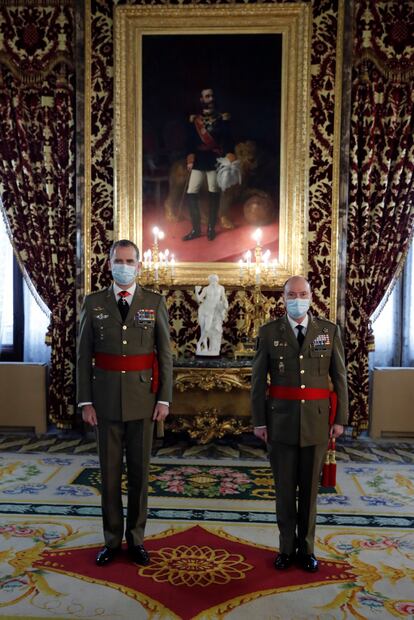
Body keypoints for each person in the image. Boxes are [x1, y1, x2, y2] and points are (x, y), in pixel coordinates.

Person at [77, 239, 173, 567]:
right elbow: (83, 356)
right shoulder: (93, 303)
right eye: (118, 260)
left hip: (143, 402)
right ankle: (110, 539)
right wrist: (85, 402)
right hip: (103, 402)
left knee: (140, 474)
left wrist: (164, 398)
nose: (124, 265)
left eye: (130, 260)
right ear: (108, 264)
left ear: (139, 266)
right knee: (109, 473)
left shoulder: (154, 301)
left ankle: (136, 539)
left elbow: (165, 354)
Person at [251, 276, 348, 573]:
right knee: (283, 490)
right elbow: (257, 383)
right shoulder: (269, 333)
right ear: (283, 298)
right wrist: (259, 421)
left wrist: (341, 419)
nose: (297, 299)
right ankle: (285, 548)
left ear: (311, 295)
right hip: (280, 422)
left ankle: (306, 549)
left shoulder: (328, 331)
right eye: (291, 294)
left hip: (317, 423)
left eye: (302, 294)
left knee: (309, 492)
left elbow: (340, 378)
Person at [183, 87, 236, 242]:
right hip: (199, 160)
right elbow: (190, 141)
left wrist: (229, 153)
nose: (210, 99)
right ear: (201, 99)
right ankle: (196, 229)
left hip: (214, 160)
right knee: (191, 192)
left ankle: (211, 228)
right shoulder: (194, 120)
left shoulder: (222, 119)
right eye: (207, 96)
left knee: (214, 193)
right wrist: (190, 158)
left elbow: (227, 139)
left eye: (212, 95)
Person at [195, 274, 228, 356]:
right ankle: (205, 347)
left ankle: (199, 343)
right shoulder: (206, 289)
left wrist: (226, 304)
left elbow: (224, 298)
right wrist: (196, 291)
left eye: (215, 280)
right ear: (210, 281)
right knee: (203, 329)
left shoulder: (221, 288)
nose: (214, 282)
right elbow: (199, 299)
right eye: (212, 280)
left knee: (207, 329)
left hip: (213, 311)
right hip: (203, 309)